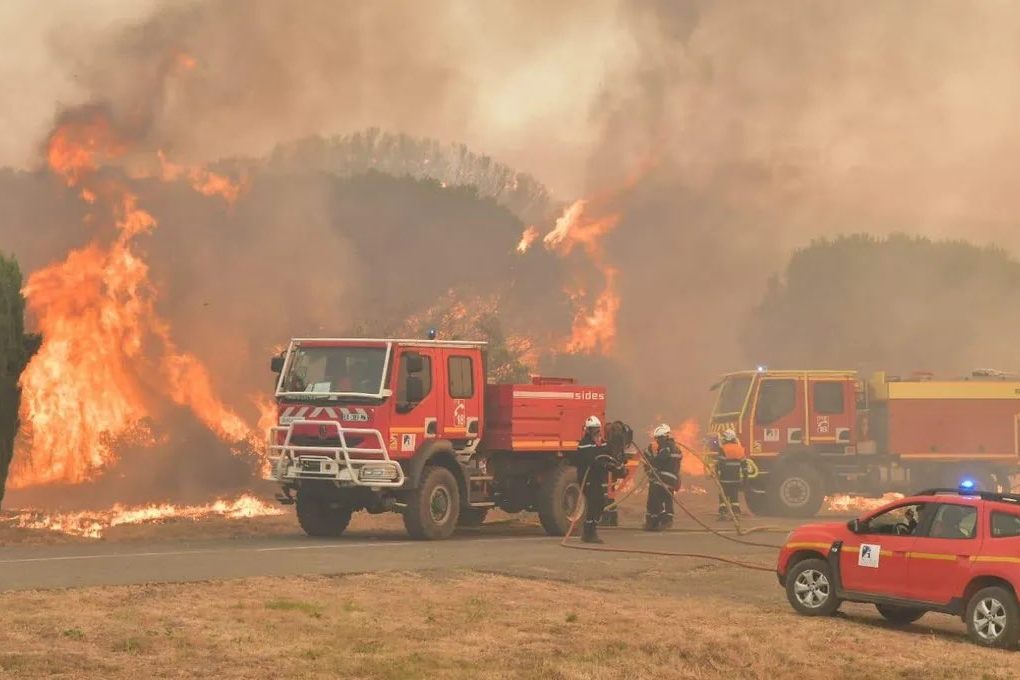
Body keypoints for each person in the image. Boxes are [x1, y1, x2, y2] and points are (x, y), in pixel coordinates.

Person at [575, 415, 624, 543]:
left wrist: (617, 467)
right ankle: (589, 533)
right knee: (593, 503)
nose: (596, 432)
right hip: (588, 478)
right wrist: (605, 465)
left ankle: (591, 529)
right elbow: (592, 460)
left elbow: (607, 455)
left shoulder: (601, 442)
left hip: (597, 478)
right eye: (593, 429)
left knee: (600, 504)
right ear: (587, 430)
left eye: (597, 429)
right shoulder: (584, 444)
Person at [644, 424, 682, 531]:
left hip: (663, 478)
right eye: (657, 438)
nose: (658, 441)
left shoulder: (666, 447)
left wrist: (651, 461)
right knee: (667, 498)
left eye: (659, 438)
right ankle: (664, 521)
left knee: (657, 499)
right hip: (671, 478)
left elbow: (660, 460)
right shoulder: (675, 447)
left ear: (665, 436)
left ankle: (659, 522)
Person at [712, 429, 746, 521]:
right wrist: (745, 478)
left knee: (723, 496)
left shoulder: (723, 449)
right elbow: (744, 466)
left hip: (725, 478)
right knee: (734, 496)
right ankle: (736, 514)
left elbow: (720, 464)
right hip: (736, 479)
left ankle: (723, 513)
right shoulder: (740, 449)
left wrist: (716, 473)